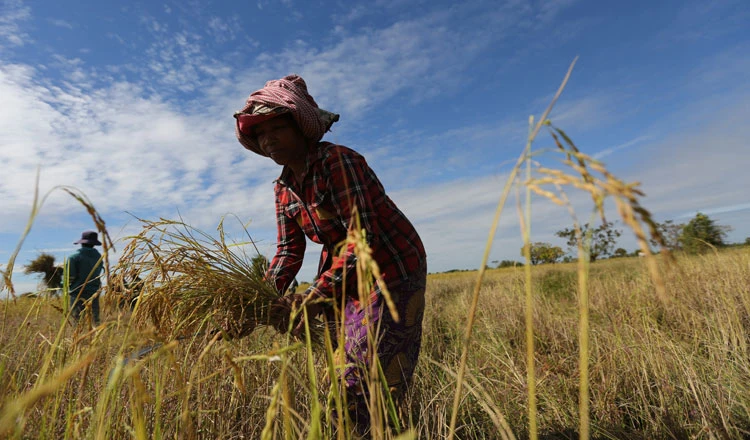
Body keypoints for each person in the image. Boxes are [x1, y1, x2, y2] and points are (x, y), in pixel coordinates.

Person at [234, 75, 427, 431]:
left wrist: (310, 297)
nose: (268, 138)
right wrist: (256, 302)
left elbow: (362, 238)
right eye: (260, 132)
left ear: (302, 128)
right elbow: (289, 251)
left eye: (278, 127)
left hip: (389, 266)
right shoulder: (283, 188)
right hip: (342, 271)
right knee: (341, 367)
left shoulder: (337, 161)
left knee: (368, 375)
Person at [66, 230, 104, 325]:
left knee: (77, 320)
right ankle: (97, 338)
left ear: (82, 243)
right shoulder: (99, 257)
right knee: (95, 319)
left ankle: (79, 339)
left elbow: (70, 277)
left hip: (78, 292)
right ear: (94, 244)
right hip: (94, 291)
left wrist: (63, 284)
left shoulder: (74, 257)